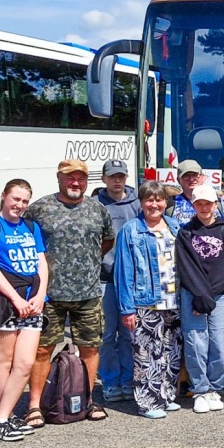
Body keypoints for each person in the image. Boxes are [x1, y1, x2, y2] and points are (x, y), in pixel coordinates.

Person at [23, 160, 114, 427]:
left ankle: (85, 401)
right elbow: (26, 240)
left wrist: (85, 263)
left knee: (90, 348)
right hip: (48, 295)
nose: (75, 183)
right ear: (59, 178)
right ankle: (34, 406)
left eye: (80, 179)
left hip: (87, 293)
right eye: (70, 178)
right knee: (42, 350)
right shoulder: (40, 208)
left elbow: (107, 240)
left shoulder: (97, 209)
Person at [0, 180, 48, 442]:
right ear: (4, 196)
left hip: (33, 303)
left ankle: (5, 417)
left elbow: (42, 263)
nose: (19, 205)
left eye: (25, 201)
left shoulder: (31, 227)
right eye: (15, 199)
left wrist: (40, 295)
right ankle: (1, 418)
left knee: (25, 363)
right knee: (4, 362)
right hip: (5, 302)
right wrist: (16, 299)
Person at [114, 182, 184, 418]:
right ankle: (148, 403)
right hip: (145, 301)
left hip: (173, 300)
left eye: (159, 199)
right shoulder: (130, 230)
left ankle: (166, 395)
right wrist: (127, 308)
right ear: (141, 203)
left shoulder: (175, 226)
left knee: (170, 351)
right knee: (146, 354)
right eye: (149, 200)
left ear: (166, 202)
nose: (154, 205)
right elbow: (123, 271)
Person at [176, 184, 224, 414]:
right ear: (193, 205)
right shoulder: (186, 233)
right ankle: (200, 389)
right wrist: (200, 297)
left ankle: (215, 387)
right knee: (196, 343)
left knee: (220, 344)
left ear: (215, 205)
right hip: (193, 294)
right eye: (199, 203)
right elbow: (187, 267)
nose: (203, 207)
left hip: (219, 295)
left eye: (208, 203)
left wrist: (209, 297)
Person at [96, 159, 140, 403]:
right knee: (106, 333)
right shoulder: (95, 204)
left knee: (130, 334)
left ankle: (129, 379)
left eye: (121, 176)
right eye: (112, 176)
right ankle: (111, 381)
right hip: (106, 279)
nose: (117, 180)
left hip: (132, 281)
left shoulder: (137, 204)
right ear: (103, 179)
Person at [169, 159, 224, 225]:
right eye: (186, 176)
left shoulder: (217, 201)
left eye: (195, 175)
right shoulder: (170, 203)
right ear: (178, 180)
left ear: (202, 177)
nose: (191, 179)